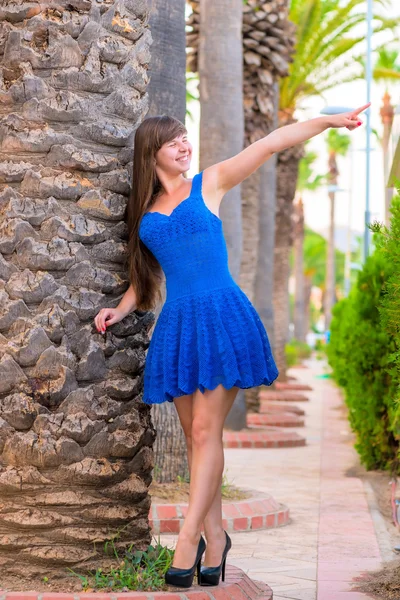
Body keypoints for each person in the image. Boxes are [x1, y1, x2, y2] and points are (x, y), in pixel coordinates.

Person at [94, 103, 370, 588]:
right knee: (200, 439)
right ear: (151, 152)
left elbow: (269, 145)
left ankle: (186, 539)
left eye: (186, 137)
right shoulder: (144, 212)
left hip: (221, 317)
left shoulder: (210, 184)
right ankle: (215, 539)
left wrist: (328, 121)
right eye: (174, 140)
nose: (185, 145)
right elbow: (149, 273)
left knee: (204, 432)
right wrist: (120, 308)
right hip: (178, 326)